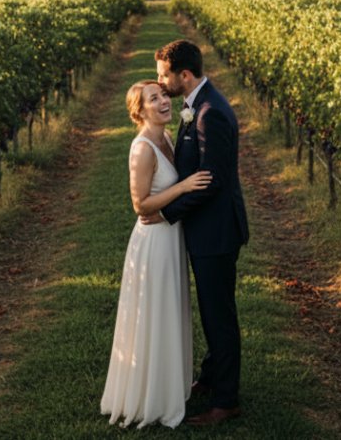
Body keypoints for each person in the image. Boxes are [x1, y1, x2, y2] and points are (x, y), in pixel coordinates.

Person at [148, 39, 249, 427]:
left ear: (184, 75)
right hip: (208, 230)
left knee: (219, 315)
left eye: (164, 76)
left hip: (217, 233)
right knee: (211, 309)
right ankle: (211, 377)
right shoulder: (197, 106)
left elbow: (212, 182)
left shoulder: (210, 114)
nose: (161, 82)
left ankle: (226, 401)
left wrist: (167, 211)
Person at [100, 80, 212, 429]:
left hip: (170, 237)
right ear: (139, 110)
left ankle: (168, 389)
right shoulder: (143, 148)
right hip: (153, 242)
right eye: (154, 98)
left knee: (170, 311)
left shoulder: (166, 138)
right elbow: (140, 205)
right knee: (153, 314)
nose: (164, 101)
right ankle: (149, 398)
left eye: (164, 95)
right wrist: (182, 186)